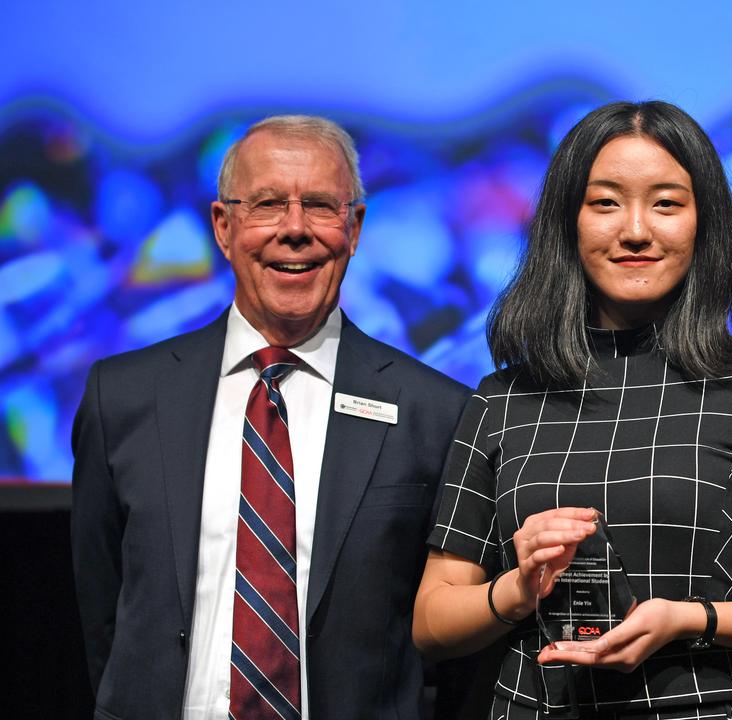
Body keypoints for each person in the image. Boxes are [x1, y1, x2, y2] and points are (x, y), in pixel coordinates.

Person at [413, 100, 732, 719]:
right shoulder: (502, 399)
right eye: (605, 203)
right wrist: (519, 588)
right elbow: (432, 621)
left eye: (667, 203)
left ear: (705, 224)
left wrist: (688, 620)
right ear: (566, 222)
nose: (636, 230)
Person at [71, 115, 468, 719]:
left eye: (318, 205)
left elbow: (444, 637)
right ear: (223, 227)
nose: (294, 229)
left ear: (354, 228)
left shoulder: (434, 412)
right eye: (265, 205)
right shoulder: (123, 397)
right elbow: (105, 615)